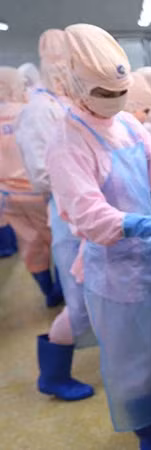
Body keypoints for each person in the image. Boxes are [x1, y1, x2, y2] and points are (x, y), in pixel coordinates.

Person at [47, 24, 151, 449]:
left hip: (146, 257)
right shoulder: (68, 140)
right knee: (132, 357)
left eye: (121, 94)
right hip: (114, 267)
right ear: (79, 88)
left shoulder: (122, 124)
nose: (115, 104)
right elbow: (89, 215)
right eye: (107, 95)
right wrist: (146, 224)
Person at [16, 29, 94, 401]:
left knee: (95, 299)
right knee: (79, 304)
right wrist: (85, 181)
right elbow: (41, 173)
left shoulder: (62, 104)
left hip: (86, 211)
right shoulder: (39, 110)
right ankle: (53, 374)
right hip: (69, 215)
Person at [0, 67, 62, 308]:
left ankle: (48, 293)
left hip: (6, 196)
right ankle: (61, 290)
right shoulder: (28, 113)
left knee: (30, 244)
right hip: (37, 192)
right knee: (56, 241)